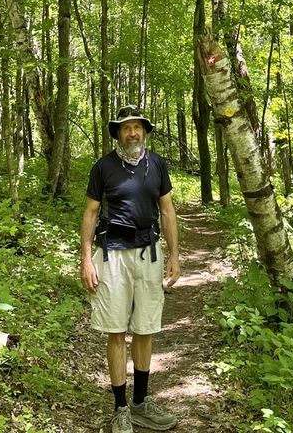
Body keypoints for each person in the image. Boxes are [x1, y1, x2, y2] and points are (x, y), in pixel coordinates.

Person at [80, 105, 181, 432]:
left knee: (145, 327)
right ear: (118, 133)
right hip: (112, 256)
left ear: (145, 131)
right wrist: (84, 257)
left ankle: (140, 403)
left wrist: (175, 255)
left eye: (138, 127)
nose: (133, 133)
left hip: (149, 255)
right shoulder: (103, 168)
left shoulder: (157, 166)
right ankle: (121, 408)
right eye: (126, 128)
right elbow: (90, 214)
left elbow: (166, 210)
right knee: (115, 330)